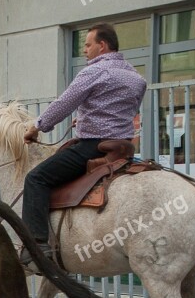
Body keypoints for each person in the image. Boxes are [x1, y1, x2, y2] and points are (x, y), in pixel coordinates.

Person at [20, 23, 146, 268]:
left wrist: (37, 126)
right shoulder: (136, 78)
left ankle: (37, 246)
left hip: (93, 147)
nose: (85, 50)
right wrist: (89, 116)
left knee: (36, 178)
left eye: (88, 44)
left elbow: (64, 103)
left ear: (103, 45)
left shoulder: (95, 71)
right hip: (123, 149)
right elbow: (125, 110)